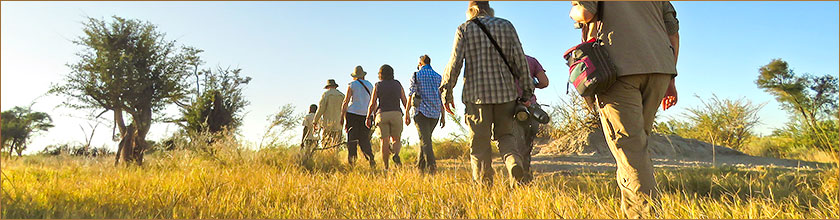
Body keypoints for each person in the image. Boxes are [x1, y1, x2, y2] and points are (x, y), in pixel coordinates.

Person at [569, 1, 680, 218]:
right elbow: (673, 33)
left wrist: (573, 11)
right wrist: (671, 79)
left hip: (617, 70)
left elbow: (585, 11)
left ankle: (645, 215)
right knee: (635, 149)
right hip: (660, 69)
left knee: (630, 151)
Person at [440, 1, 535, 187]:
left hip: (477, 97)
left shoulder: (464, 29)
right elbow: (520, 60)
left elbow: (454, 63)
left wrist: (447, 91)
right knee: (506, 137)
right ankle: (513, 163)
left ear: (470, 10)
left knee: (480, 145)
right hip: (506, 95)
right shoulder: (506, 25)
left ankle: (484, 187)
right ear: (489, 9)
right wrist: (527, 91)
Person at [404, 55, 445, 174]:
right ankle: (420, 168)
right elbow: (441, 97)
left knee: (425, 140)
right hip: (435, 114)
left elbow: (411, 94)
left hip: (420, 112)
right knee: (425, 139)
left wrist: (407, 113)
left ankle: (432, 168)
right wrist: (443, 115)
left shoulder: (416, 75)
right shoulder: (438, 77)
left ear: (420, 63)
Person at [514, 54, 549, 183]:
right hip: (532, 107)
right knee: (527, 145)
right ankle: (526, 175)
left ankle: (518, 178)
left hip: (512, 107)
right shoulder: (532, 61)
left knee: (514, 145)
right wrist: (533, 83)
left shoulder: (504, 59)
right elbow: (544, 82)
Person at [366, 64, 408, 171]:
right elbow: (404, 101)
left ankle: (386, 167)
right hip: (396, 113)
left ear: (380, 74)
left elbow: (372, 103)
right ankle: (396, 154)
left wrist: (368, 117)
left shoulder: (378, 85)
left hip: (382, 114)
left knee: (384, 141)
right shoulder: (397, 84)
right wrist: (407, 114)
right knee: (396, 139)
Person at [340, 66, 376, 168]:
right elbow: (373, 102)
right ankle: (370, 158)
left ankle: (352, 162)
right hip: (367, 114)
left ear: (355, 76)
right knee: (364, 139)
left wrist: (342, 116)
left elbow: (346, 101)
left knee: (352, 139)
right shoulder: (370, 85)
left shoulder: (352, 85)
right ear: (363, 75)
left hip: (353, 114)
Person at [313, 79, 346, 149]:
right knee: (337, 144)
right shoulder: (342, 95)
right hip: (339, 123)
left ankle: (328, 158)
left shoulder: (326, 95)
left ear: (328, 87)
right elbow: (345, 110)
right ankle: (335, 158)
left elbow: (321, 109)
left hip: (328, 123)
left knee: (326, 144)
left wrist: (315, 121)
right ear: (335, 86)